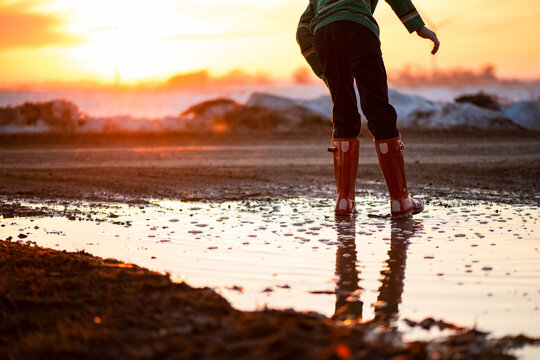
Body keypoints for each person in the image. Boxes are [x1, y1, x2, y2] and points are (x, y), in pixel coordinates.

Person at [296, 0, 439, 218]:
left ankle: (344, 201)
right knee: (378, 108)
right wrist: (419, 26)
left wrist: (326, 73)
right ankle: (400, 200)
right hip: (358, 29)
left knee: (343, 112)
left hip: (324, 34)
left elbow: (302, 32)